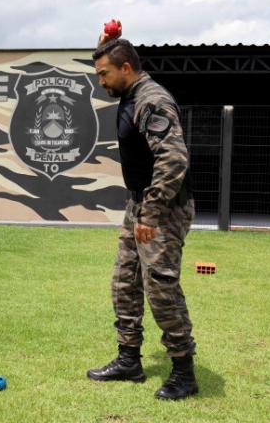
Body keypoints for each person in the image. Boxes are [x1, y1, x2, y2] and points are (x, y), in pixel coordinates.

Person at [86, 23, 198, 401]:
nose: (101, 81)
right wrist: (105, 45)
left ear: (127, 69)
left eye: (104, 74)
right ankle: (129, 359)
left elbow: (173, 159)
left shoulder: (152, 100)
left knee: (161, 289)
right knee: (124, 281)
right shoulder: (131, 89)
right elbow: (112, 56)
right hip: (139, 204)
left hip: (161, 209)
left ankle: (184, 372)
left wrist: (149, 214)